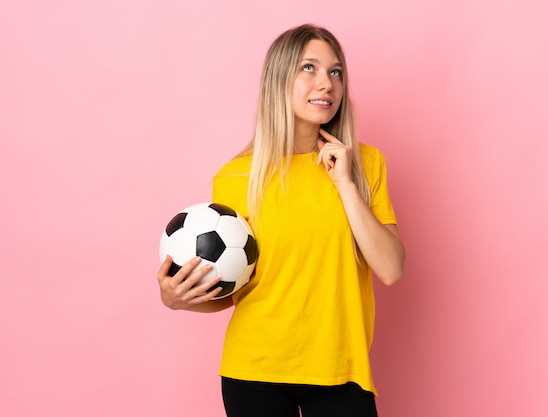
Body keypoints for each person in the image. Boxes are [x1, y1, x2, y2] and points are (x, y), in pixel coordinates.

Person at [156, 23, 405, 417]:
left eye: (335, 72)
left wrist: (344, 183)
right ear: (280, 79)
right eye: (309, 68)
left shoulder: (365, 165)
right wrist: (177, 300)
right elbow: (235, 287)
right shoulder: (237, 177)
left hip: (341, 370)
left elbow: (390, 269)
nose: (326, 83)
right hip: (254, 372)